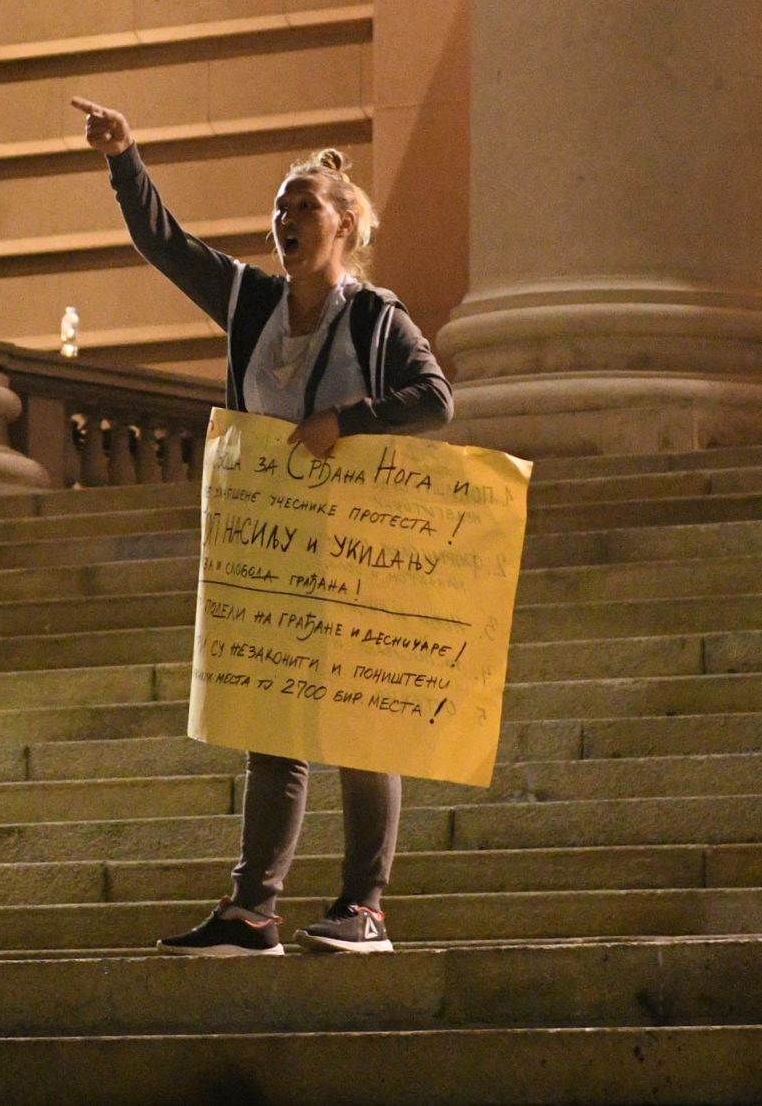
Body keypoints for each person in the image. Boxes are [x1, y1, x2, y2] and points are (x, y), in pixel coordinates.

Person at [71, 95, 454, 956]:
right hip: (271, 544)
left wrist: (345, 420)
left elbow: (434, 400)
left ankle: (365, 907)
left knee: (362, 719)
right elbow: (166, 245)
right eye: (279, 208)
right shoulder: (250, 302)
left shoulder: (376, 317)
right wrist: (124, 159)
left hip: (355, 545)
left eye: (302, 205)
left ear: (344, 222)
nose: (285, 219)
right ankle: (253, 910)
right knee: (269, 723)